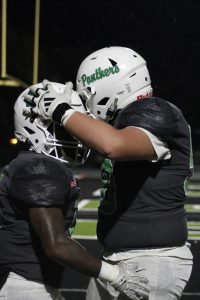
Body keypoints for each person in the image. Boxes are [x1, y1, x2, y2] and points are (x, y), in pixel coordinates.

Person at [24, 46, 194, 300]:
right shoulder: (128, 119)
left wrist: (62, 111)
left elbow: (113, 145)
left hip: (151, 258)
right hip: (121, 258)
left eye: (88, 94)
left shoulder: (154, 110)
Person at [0, 81, 150, 300]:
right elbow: (56, 245)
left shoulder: (37, 165)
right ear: (36, 124)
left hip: (29, 282)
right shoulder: (39, 167)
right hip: (23, 285)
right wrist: (114, 274)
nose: (75, 133)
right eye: (63, 127)